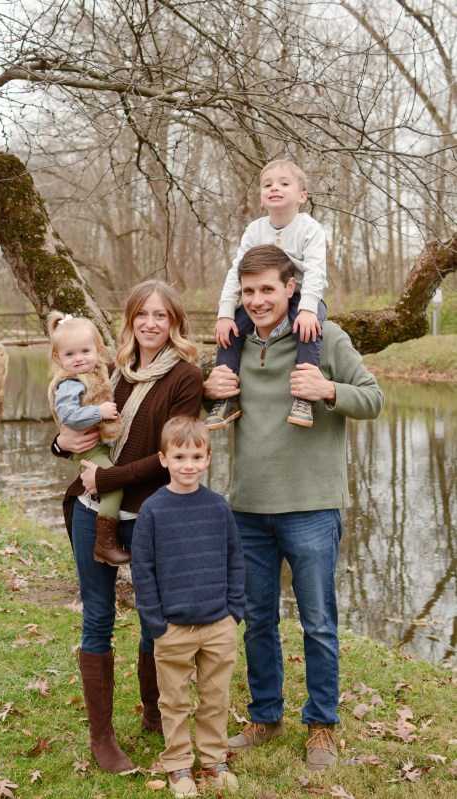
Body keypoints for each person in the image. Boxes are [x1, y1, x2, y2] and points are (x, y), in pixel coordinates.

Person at [203, 244, 384, 772]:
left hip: (312, 507)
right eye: (249, 291)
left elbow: (373, 398)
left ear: (290, 288)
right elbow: (203, 407)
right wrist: (206, 391)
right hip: (248, 508)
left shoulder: (324, 337)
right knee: (257, 619)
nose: (258, 300)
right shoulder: (232, 343)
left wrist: (328, 389)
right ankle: (265, 716)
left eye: (268, 289)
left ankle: (322, 724)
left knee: (318, 622)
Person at [52, 281, 204, 773]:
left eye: (161, 315)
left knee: (154, 618)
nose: (150, 324)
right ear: (130, 320)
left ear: (174, 321)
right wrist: (60, 443)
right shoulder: (110, 369)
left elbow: (172, 456)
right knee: (98, 616)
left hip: (151, 515)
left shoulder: (185, 378)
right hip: (90, 509)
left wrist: (108, 477)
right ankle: (102, 737)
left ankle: (155, 714)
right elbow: (81, 428)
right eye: (142, 314)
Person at [132, 416, 245, 797]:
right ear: (164, 459)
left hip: (217, 625)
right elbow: (143, 570)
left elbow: (235, 560)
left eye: (197, 457)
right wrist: (156, 623)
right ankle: (178, 764)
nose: (188, 465)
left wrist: (233, 612)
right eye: (179, 457)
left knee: (215, 698)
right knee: (174, 701)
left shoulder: (218, 507)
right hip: (173, 628)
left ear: (208, 458)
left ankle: (214, 759)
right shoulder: (153, 510)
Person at [205, 158, 327, 430]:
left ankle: (304, 397)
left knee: (308, 331)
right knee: (231, 331)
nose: (275, 188)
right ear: (261, 196)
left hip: (303, 294)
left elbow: (316, 271)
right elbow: (237, 272)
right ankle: (227, 398)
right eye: (268, 184)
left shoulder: (310, 228)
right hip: (264, 297)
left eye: (284, 183)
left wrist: (308, 309)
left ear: (302, 196)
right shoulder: (255, 230)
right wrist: (225, 313)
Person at [47, 311, 129, 566]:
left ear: (98, 349)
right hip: (89, 449)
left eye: (85, 351)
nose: (79, 358)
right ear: (58, 358)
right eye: (70, 354)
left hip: (99, 445)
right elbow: (68, 415)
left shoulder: (99, 372)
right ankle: (105, 543)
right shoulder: (70, 383)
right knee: (112, 485)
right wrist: (99, 413)